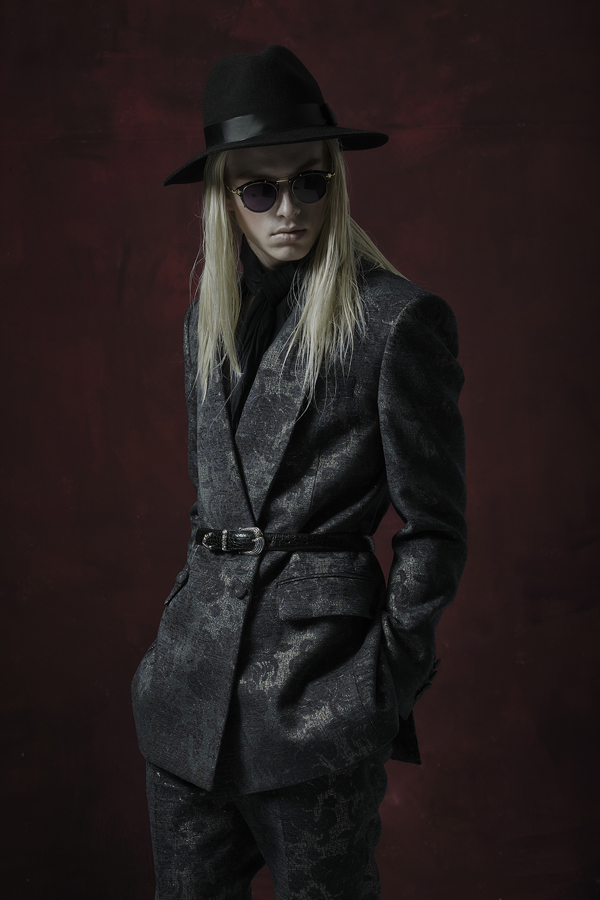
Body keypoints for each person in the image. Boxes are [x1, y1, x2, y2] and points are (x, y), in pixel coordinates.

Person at [131, 45, 467, 900]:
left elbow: (435, 528)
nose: (290, 209)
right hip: (184, 699)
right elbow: (218, 505)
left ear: (334, 182)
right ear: (224, 199)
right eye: (261, 191)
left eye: (310, 183)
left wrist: (384, 683)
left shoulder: (395, 322)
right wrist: (166, 659)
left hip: (319, 702)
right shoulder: (204, 326)